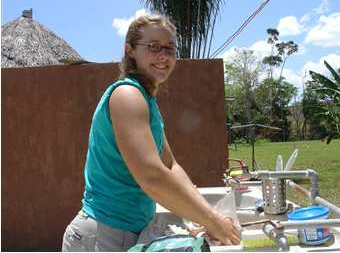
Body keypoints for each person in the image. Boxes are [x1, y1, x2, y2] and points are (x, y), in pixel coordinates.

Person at [62, 14, 240, 252]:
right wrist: (212, 220)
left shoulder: (147, 102)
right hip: (102, 236)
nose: (163, 55)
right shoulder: (127, 95)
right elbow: (152, 176)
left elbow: (170, 166)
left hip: (127, 232)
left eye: (169, 48)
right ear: (130, 51)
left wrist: (205, 213)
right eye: (154, 47)